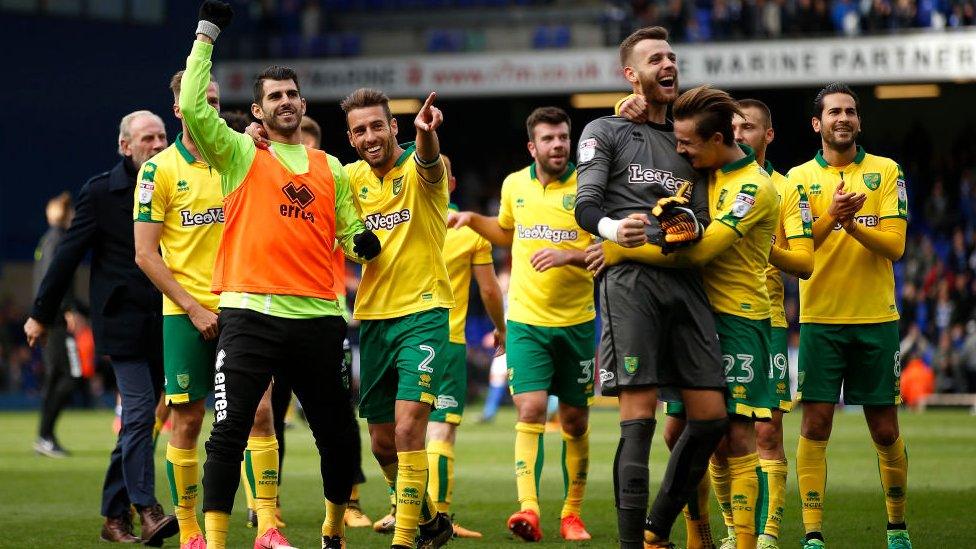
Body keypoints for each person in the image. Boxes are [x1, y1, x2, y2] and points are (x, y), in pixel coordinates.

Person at [181, 3, 381, 548]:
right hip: (250, 314)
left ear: (303, 103)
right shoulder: (240, 154)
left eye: (292, 94)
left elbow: (347, 226)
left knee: (339, 439)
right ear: (259, 108)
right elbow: (193, 108)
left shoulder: (330, 167)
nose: (285, 102)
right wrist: (207, 35)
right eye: (275, 96)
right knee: (228, 433)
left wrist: (361, 239)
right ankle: (218, 541)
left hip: (319, 318)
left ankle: (332, 531)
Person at [591, 85, 780, 549]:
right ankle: (672, 532)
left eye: (687, 144)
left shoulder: (752, 186)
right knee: (684, 430)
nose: (679, 151)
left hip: (738, 317)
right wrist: (625, 107)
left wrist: (618, 249)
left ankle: (745, 541)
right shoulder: (709, 171)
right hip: (698, 314)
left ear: (717, 139)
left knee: (734, 436)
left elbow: (700, 256)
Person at [575, 27, 729, 549]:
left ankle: (655, 530)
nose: (668, 64)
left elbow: (706, 212)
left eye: (671, 56)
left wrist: (678, 230)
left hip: (688, 283)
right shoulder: (606, 130)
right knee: (638, 418)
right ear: (631, 75)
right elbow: (586, 205)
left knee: (710, 418)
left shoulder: (691, 139)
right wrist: (615, 230)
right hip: (631, 285)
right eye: (655, 58)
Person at [133, 69, 280, 549]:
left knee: (259, 413)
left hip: (243, 307)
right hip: (184, 314)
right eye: (200, 100)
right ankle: (191, 530)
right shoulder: (158, 171)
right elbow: (145, 254)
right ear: (179, 107)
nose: (210, 108)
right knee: (189, 420)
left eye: (215, 101)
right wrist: (193, 308)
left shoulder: (240, 157)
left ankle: (267, 527)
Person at [24, 110, 177, 545]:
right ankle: (147, 510)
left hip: (165, 319)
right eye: (147, 138)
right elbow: (65, 258)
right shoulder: (100, 193)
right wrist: (40, 313)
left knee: (141, 421)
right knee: (141, 412)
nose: (157, 144)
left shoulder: (175, 185)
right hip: (123, 321)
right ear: (125, 146)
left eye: (162, 136)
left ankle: (113, 517)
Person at [449, 107, 595, 542]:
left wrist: (567, 255)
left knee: (574, 422)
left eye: (564, 138)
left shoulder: (588, 186)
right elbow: (507, 233)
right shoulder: (515, 184)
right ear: (533, 146)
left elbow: (606, 251)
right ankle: (528, 509)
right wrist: (473, 220)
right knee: (530, 409)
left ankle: (571, 514)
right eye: (549, 139)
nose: (558, 145)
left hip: (577, 322)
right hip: (527, 321)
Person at [787, 82, 911, 549]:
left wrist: (852, 223)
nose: (844, 118)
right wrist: (831, 218)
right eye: (834, 112)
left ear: (858, 122)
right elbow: (799, 250)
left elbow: (896, 247)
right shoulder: (798, 179)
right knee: (815, 424)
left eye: (851, 112)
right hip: (821, 319)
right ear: (817, 123)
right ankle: (813, 533)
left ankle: (897, 527)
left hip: (877, 319)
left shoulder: (886, 171)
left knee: (885, 428)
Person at [342, 86, 454, 549]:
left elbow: (429, 161)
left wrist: (426, 136)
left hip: (424, 312)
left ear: (394, 126)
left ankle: (405, 539)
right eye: (359, 129)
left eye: (377, 125)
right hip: (373, 319)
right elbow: (342, 229)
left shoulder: (421, 167)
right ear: (350, 139)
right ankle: (430, 521)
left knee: (410, 428)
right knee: (382, 444)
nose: (370, 136)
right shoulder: (348, 178)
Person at [259, 114, 375, 531]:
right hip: (275, 314)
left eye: (307, 147)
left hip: (325, 314)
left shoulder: (332, 180)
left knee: (340, 414)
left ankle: (352, 500)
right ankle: (267, 505)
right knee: (269, 413)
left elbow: (357, 233)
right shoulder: (267, 185)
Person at [730, 99, 814, 549]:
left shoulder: (787, 190)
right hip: (717, 321)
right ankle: (732, 529)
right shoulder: (711, 184)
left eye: (749, 127)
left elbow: (804, 263)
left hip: (768, 322)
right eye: (733, 128)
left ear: (769, 135)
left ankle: (769, 532)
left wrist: (767, 248)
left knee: (767, 429)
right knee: (722, 432)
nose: (740, 134)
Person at [426, 154, 506, 539]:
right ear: (452, 184)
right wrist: (501, 330)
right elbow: (489, 289)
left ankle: (401, 509)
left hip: (396, 337)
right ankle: (438, 518)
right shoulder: (470, 233)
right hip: (447, 343)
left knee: (400, 431)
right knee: (440, 432)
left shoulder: (399, 223)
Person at [32, 191, 80, 458]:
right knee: (66, 378)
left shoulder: (47, 240)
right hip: (57, 323)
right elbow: (53, 281)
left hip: (52, 319)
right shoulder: (58, 241)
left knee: (57, 379)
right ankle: (44, 436)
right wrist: (68, 309)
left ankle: (45, 436)